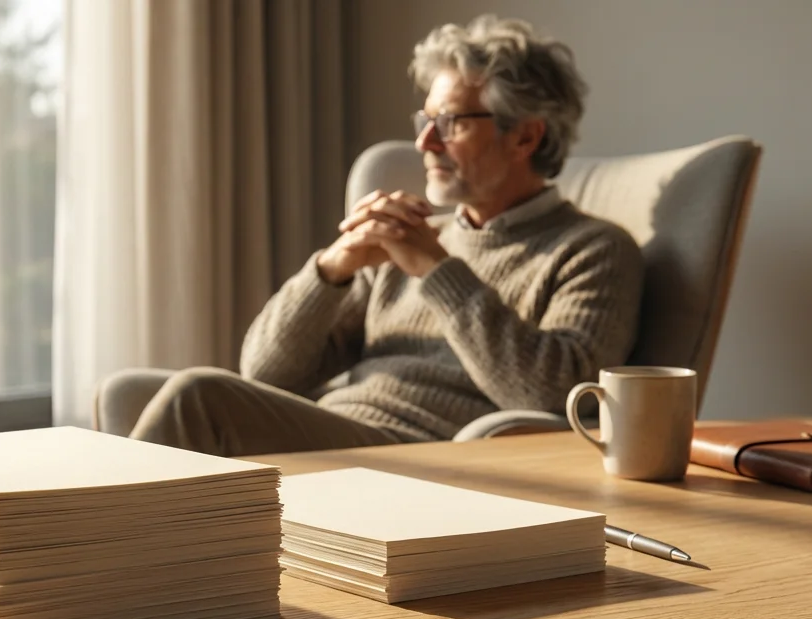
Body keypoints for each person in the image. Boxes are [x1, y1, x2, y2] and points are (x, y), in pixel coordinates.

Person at [99, 14, 644, 457]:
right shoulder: (408, 243)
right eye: (424, 120)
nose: (426, 142)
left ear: (525, 135)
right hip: (339, 431)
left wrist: (436, 271)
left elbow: (553, 396)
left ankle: (80, 565)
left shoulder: (592, 249)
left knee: (200, 397)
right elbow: (264, 373)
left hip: (428, 456)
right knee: (156, 394)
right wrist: (330, 270)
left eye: (451, 122)